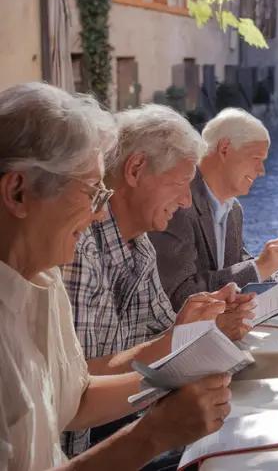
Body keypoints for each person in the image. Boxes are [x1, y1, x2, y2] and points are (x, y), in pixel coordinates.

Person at [0, 82, 232, 471]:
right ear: (19, 192)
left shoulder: (43, 277)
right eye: (92, 192)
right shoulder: (63, 261)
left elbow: (77, 397)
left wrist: (183, 374)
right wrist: (151, 434)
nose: (99, 213)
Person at [60, 104, 255, 454]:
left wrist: (205, 326)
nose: (184, 202)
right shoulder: (77, 247)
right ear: (135, 169)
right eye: (181, 184)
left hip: (128, 431)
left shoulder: (141, 246)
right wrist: (180, 341)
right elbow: (76, 392)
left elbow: (164, 341)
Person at [151, 108, 278, 309]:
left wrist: (272, 277)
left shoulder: (233, 209)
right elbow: (179, 295)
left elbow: (237, 267)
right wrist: (259, 267)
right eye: (256, 159)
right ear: (225, 148)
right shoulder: (178, 204)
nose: (262, 171)